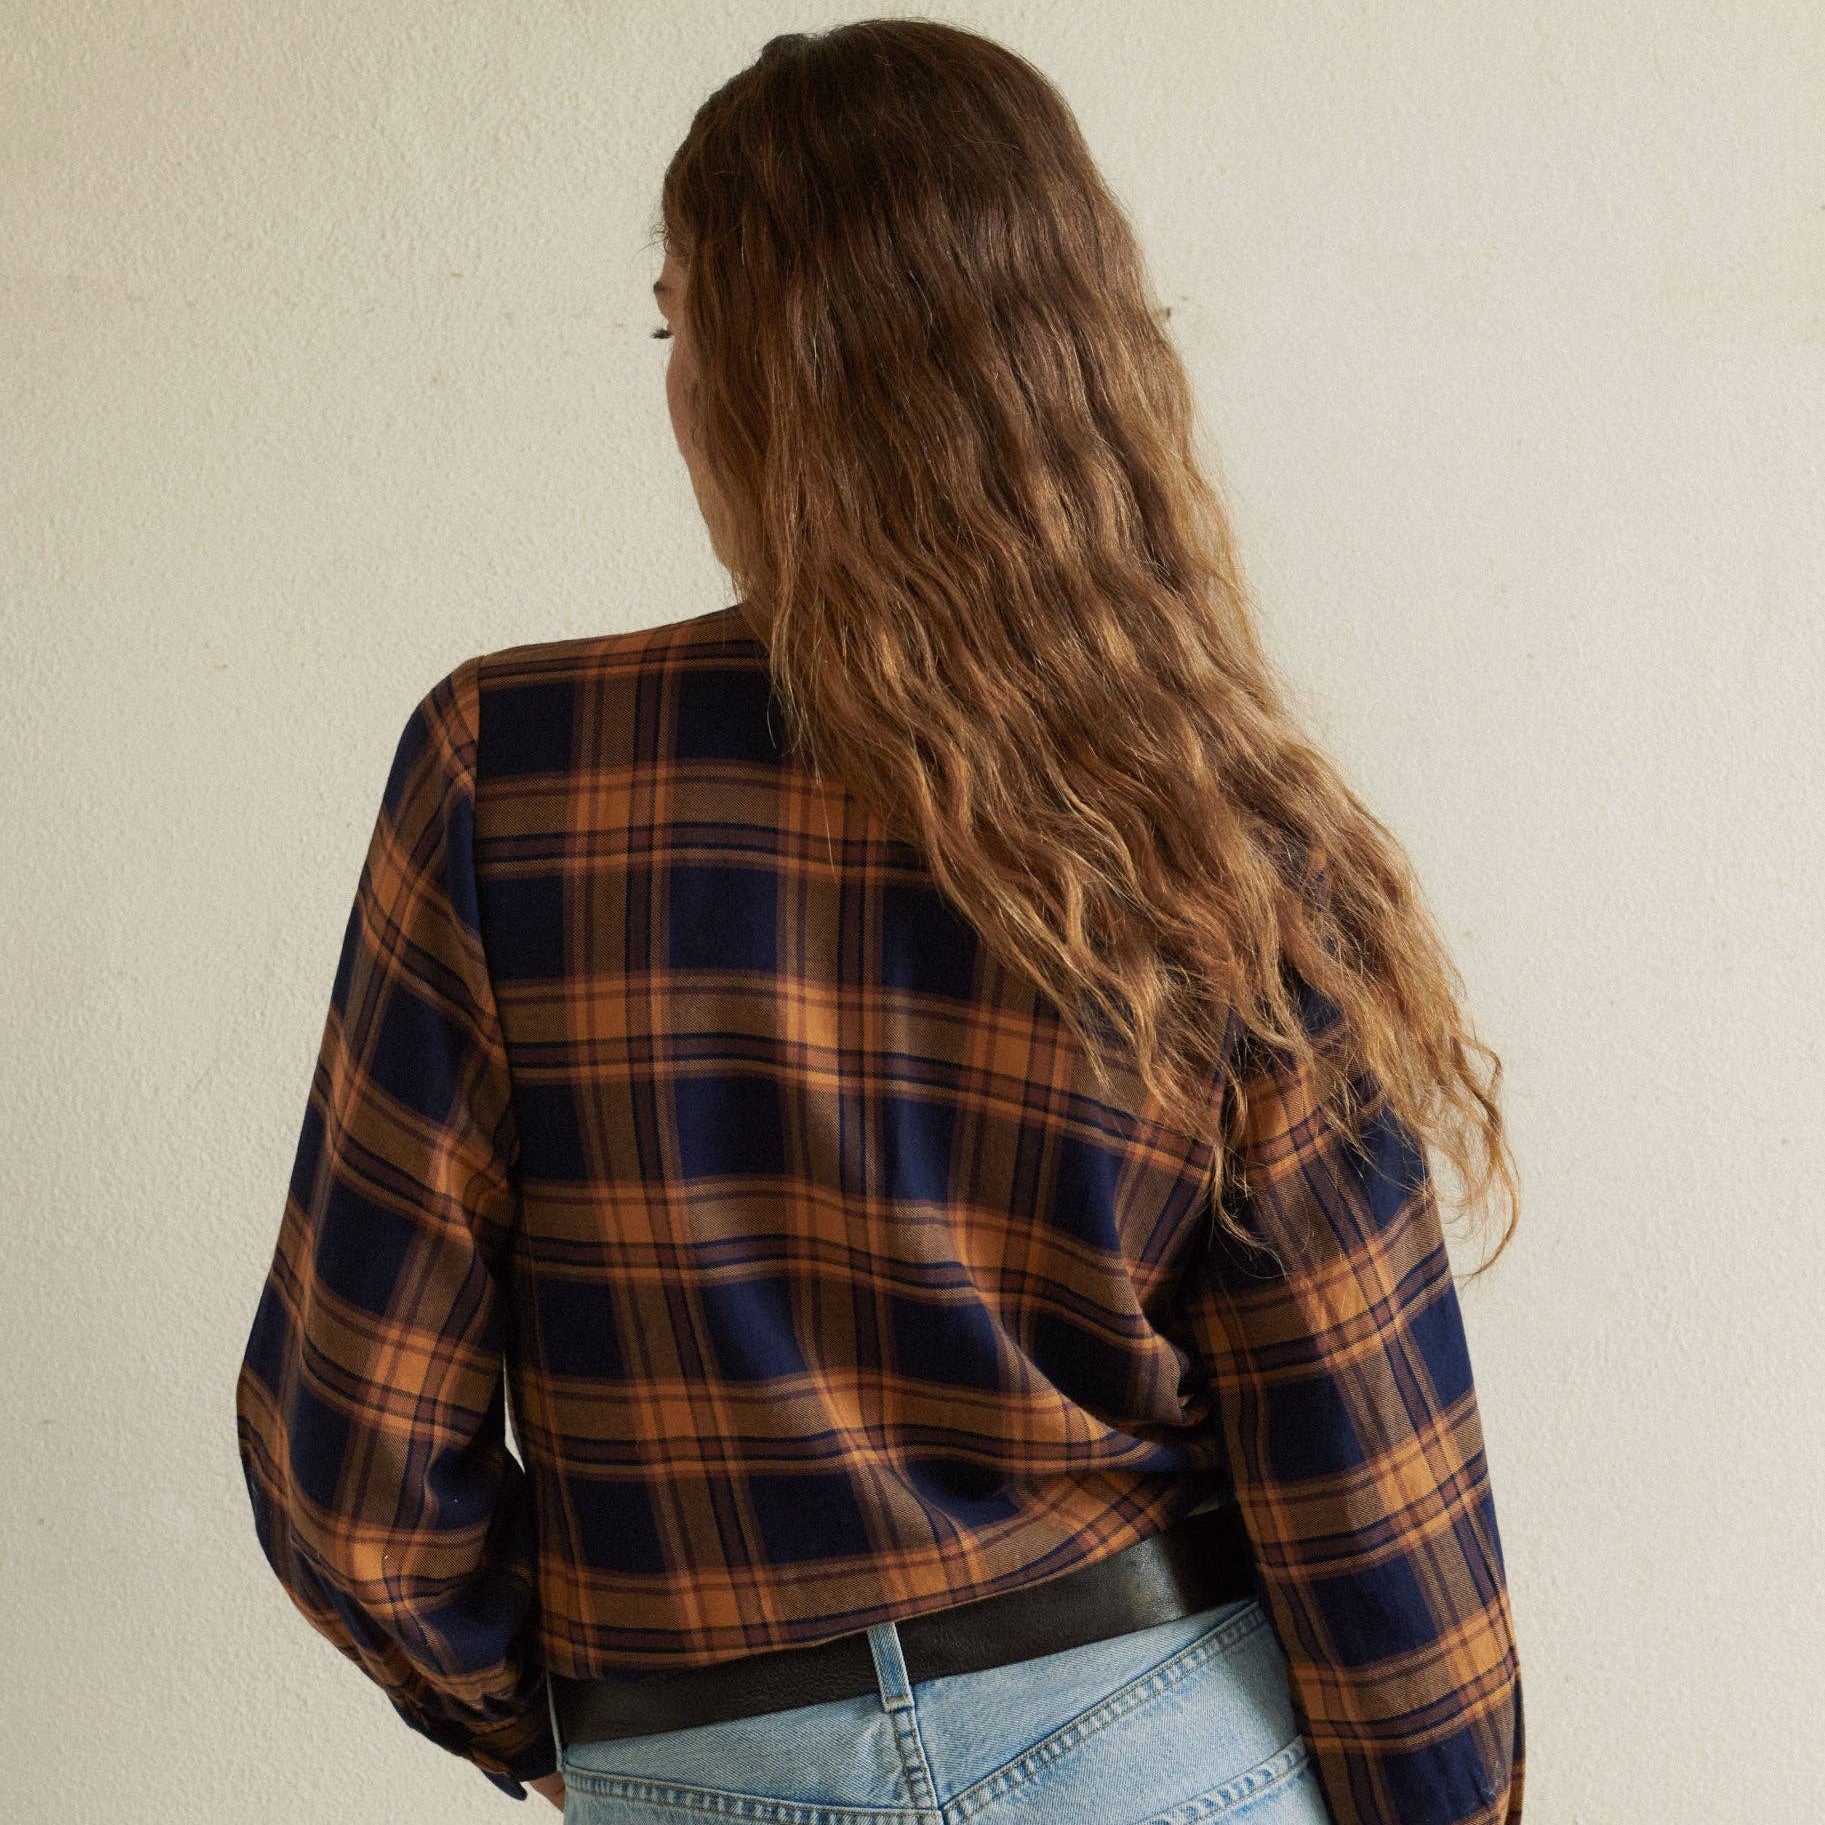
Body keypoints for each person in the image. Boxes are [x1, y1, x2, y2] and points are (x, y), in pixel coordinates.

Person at [234, 20, 1524, 1824]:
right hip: (1164, 1744)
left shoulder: (503, 774)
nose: (673, 388)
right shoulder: (1221, 828)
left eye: (687, 327)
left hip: (701, 1751)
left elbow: (354, 1466)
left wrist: (598, 1723)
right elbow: (1367, 1490)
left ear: (764, 387)